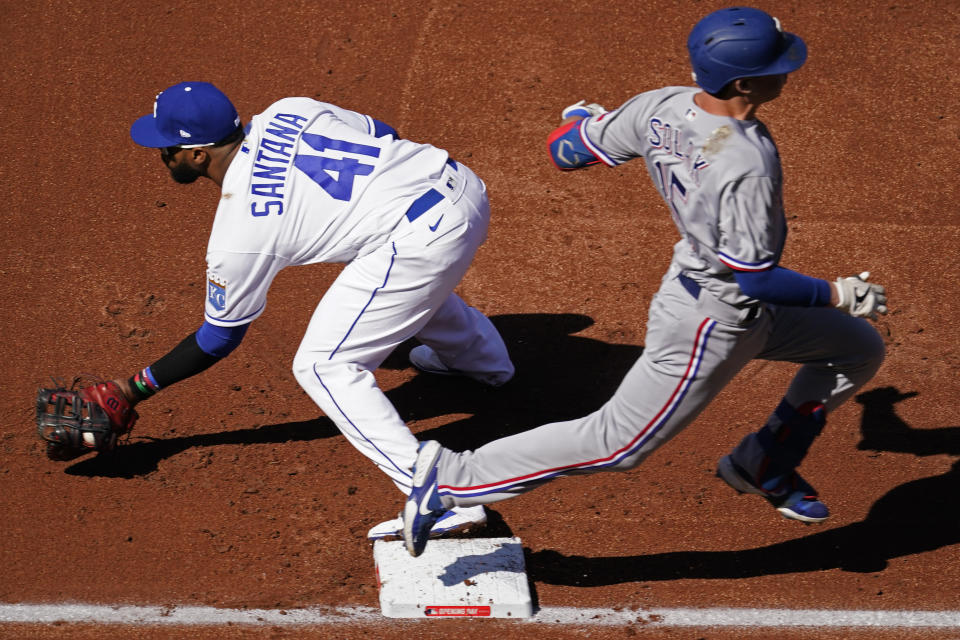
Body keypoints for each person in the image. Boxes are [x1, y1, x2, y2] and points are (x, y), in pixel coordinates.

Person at [402, 6, 888, 557]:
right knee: (617, 443)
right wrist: (837, 293)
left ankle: (764, 460)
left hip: (719, 296)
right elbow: (755, 279)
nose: (788, 71)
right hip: (714, 321)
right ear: (744, 81)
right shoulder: (747, 163)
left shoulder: (663, 105)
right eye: (780, 64)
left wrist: (579, 118)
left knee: (856, 349)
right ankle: (450, 479)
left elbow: (566, 151)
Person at [119, 82, 516, 540]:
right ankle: (485, 362)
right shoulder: (289, 111)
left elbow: (220, 337)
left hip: (426, 239)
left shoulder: (240, 233)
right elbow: (382, 133)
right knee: (385, 267)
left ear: (198, 155)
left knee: (324, 366)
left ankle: (438, 494)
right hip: (461, 187)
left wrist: (133, 390)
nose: (162, 155)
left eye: (167, 148)